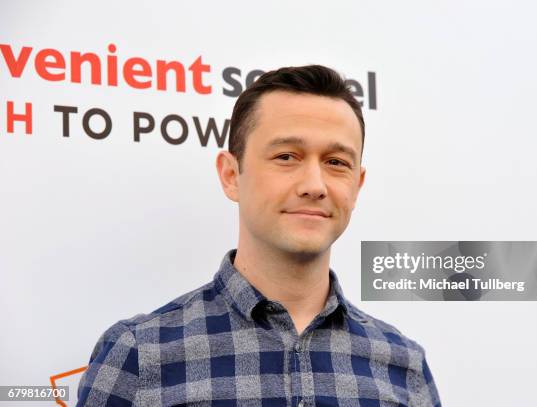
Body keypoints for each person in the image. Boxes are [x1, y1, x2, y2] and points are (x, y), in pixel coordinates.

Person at [76, 65, 441, 407]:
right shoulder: (140, 354)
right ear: (231, 175)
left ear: (357, 186)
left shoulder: (405, 367)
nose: (314, 185)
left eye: (336, 162)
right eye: (286, 156)